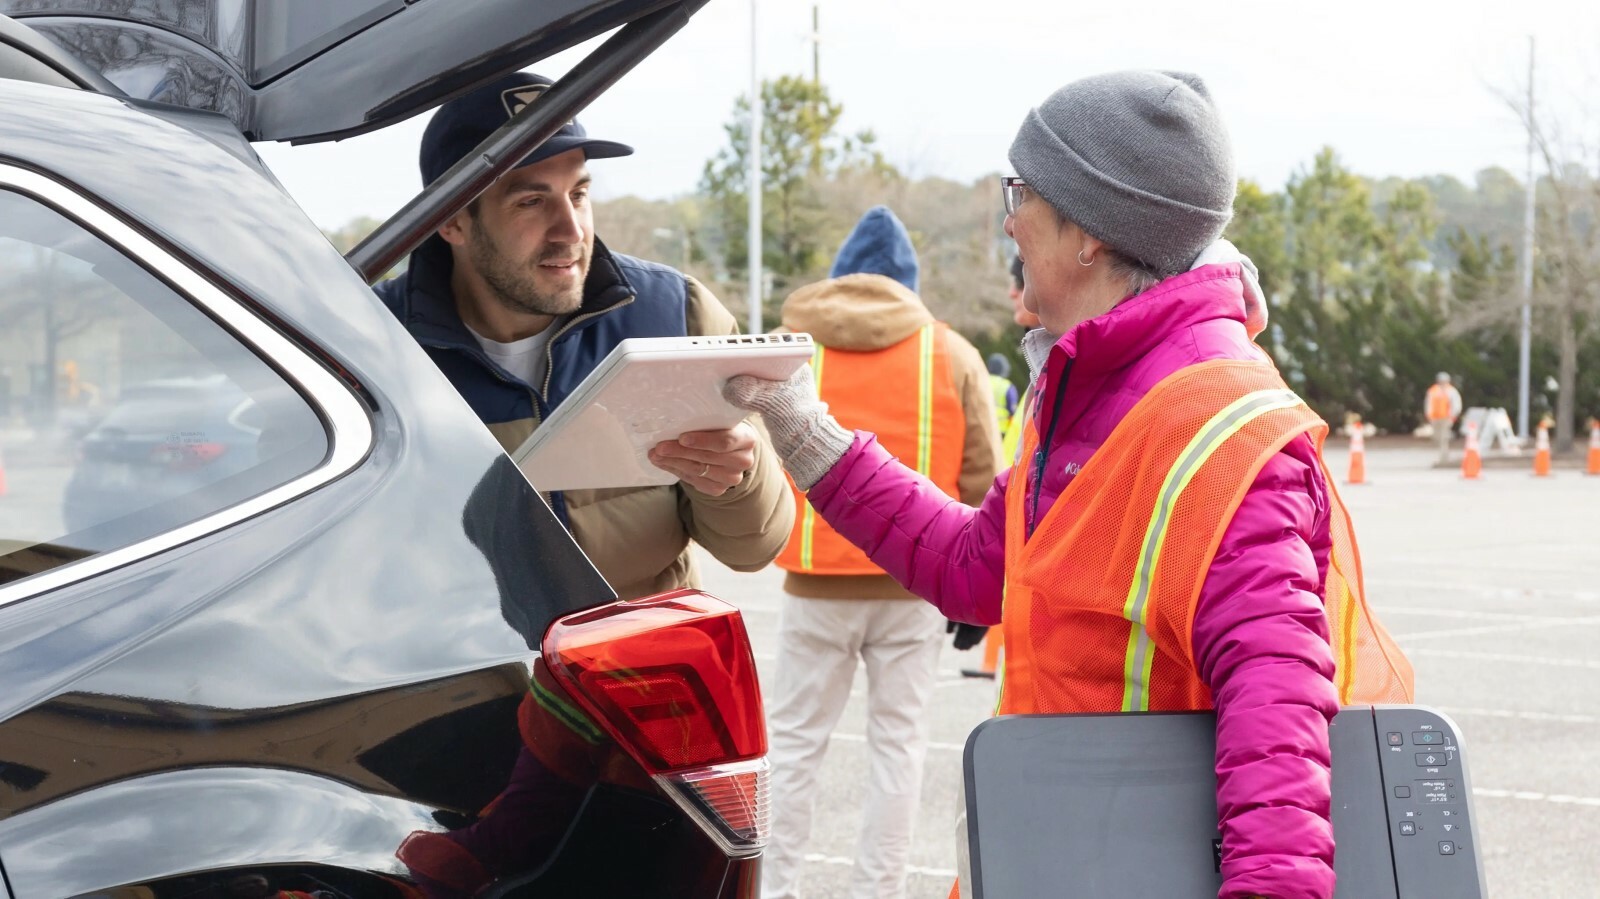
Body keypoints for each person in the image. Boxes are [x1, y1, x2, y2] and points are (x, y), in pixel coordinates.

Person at [727, 71, 1413, 899]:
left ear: (1090, 234)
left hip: (1132, 861)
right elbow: (982, 566)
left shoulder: (1214, 414)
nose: (1008, 218)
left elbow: (1280, 719)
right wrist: (807, 436)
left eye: (1020, 193)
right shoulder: (1094, 384)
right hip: (1067, 844)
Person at [376, 72, 793, 601]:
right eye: (531, 201)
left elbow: (755, 548)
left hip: (641, 672)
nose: (570, 229)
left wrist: (737, 477)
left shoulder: (677, 317)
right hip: (471, 674)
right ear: (452, 221)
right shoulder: (374, 345)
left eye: (578, 193)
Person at [763, 206, 1000, 899]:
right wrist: (979, 586)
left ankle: (772, 887)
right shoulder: (949, 352)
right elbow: (985, 474)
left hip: (813, 580)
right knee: (898, 746)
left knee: (797, 745)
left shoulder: (793, 346)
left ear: (841, 278)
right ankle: (880, 890)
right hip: (917, 583)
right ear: (908, 284)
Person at [1426, 372, 1463, 464]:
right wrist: (1429, 415)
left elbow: (1456, 404)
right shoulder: (1433, 390)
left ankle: (1444, 458)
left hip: (1446, 418)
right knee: (1437, 437)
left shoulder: (1451, 391)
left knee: (1443, 438)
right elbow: (1428, 403)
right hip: (1435, 418)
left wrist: (1453, 416)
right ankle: (1443, 454)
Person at [986, 353, 1018, 436]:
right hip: (1001, 433)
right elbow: (1013, 412)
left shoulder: (981, 380)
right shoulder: (1007, 386)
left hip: (982, 428)